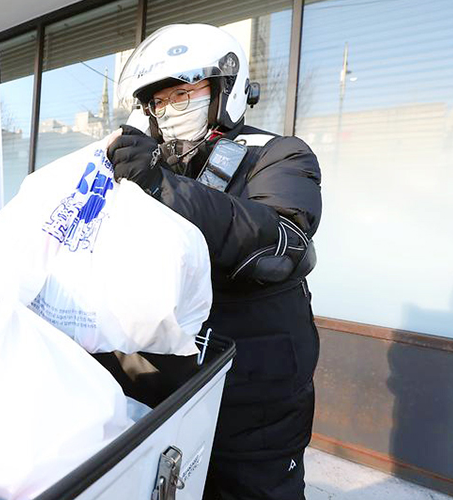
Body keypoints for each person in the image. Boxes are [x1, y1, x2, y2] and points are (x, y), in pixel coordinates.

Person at [105, 24, 322, 500]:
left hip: (255, 400)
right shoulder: (161, 166)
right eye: (157, 103)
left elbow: (279, 246)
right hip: (173, 389)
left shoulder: (278, 154)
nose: (168, 111)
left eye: (183, 93)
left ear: (226, 89)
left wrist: (161, 186)